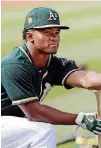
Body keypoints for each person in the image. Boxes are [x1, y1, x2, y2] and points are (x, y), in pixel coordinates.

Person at [1, 7, 101, 148]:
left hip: (14, 128)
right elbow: (34, 113)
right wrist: (80, 119)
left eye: (56, 32)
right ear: (30, 37)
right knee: (42, 132)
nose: (54, 37)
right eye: (47, 32)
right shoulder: (14, 64)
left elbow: (87, 80)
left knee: (35, 131)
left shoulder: (54, 64)